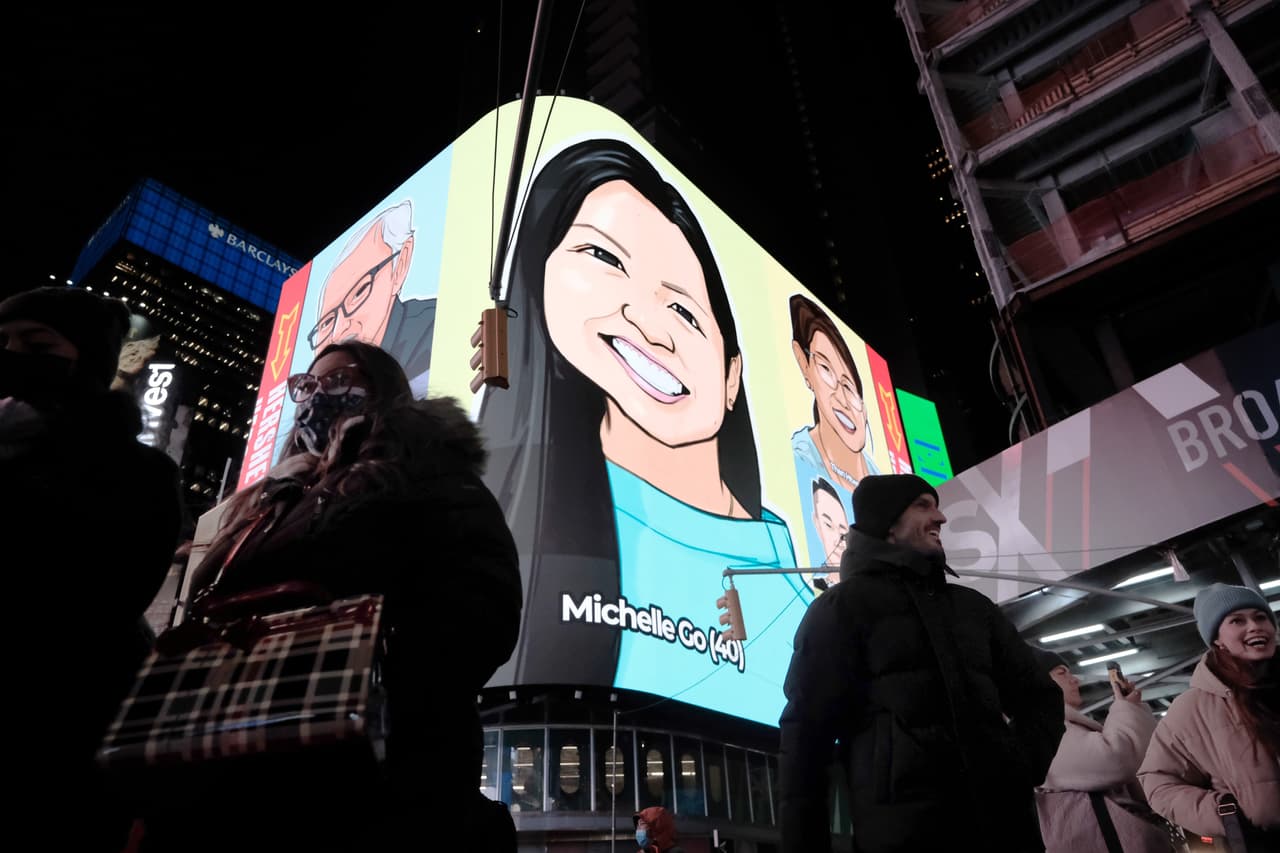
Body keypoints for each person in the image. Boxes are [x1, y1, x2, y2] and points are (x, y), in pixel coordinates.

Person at [139, 340, 523, 852]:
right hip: (226, 764)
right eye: (307, 386)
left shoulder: (428, 476)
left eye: (340, 379)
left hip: (370, 780)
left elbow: (481, 611)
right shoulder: (270, 500)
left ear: (384, 391)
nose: (317, 396)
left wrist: (376, 676)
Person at [476, 138, 809, 724]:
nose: (647, 325)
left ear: (733, 377)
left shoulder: (797, 578)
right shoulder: (530, 512)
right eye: (606, 259)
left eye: (683, 311)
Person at [777, 473, 1065, 853]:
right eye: (923, 506)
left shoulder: (973, 609)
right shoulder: (840, 610)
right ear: (888, 524)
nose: (941, 518)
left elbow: (1040, 697)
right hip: (905, 838)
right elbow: (805, 741)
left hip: (1008, 835)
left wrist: (1016, 768)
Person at [1, 285, 183, 851]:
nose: (12, 354)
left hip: (59, 728)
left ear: (88, 356)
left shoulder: (139, 472)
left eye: (35, 342)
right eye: (2, 341)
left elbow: (106, 597)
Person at [1139, 583, 1279, 847]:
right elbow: (1157, 784)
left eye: (1261, 617)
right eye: (1237, 620)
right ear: (1217, 639)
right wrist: (1226, 814)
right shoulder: (1191, 708)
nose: (1254, 626)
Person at [1031, 647, 1177, 853]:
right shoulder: (1041, 730)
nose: (1075, 680)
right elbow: (1116, 760)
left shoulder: (1065, 727)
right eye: (1062, 673)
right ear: (1036, 680)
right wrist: (1127, 709)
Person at [789, 294, 880, 574]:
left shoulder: (879, 480)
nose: (841, 397)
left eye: (849, 387)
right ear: (806, 369)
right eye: (826, 370)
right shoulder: (799, 457)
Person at [310, 199, 435, 397]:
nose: (340, 329)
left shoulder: (435, 329)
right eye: (327, 323)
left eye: (359, 293)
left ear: (401, 263)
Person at [811, 476, 849, 591]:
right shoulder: (814, 586)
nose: (839, 540)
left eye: (843, 531)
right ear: (817, 524)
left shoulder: (860, 590)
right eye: (828, 525)